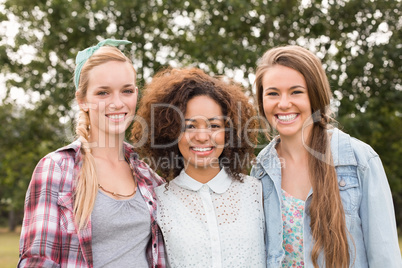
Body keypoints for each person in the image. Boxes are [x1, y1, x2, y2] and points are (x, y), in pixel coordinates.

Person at [18, 39, 165, 268]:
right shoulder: (56, 169)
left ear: (136, 94)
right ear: (82, 100)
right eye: (103, 93)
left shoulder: (150, 176)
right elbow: (37, 261)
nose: (117, 103)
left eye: (126, 91)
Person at [251, 45, 402, 267]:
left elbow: (385, 257)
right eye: (272, 93)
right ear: (262, 101)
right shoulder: (260, 172)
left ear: (315, 96)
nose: (283, 103)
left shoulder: (359, 160)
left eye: (296, 92)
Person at [131, 67, 266, 267]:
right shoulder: (158, 202)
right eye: (189, 126)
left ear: (229, 132)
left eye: (214, 125)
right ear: (171, 131)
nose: (202, 137)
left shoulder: (256, 191)